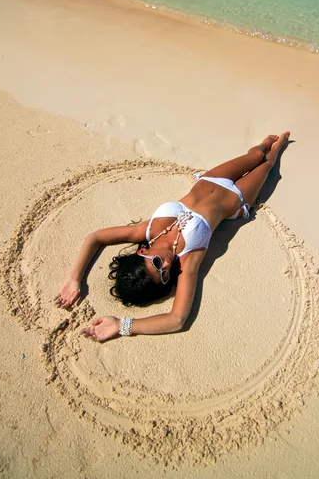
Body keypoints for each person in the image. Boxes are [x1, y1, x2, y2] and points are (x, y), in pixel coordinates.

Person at [55, 132, 290, 342]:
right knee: (268, 163)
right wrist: (121, 325)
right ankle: (277, 145)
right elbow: (177, 319)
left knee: (256, 155)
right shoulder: (188, 259)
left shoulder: (148, 231)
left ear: (142, 251)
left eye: (156, 264)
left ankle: (265, 142)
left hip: (211, 179)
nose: (167, 264)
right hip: (237, 198)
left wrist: (74, 278)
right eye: (164, 275)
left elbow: (95, 237)